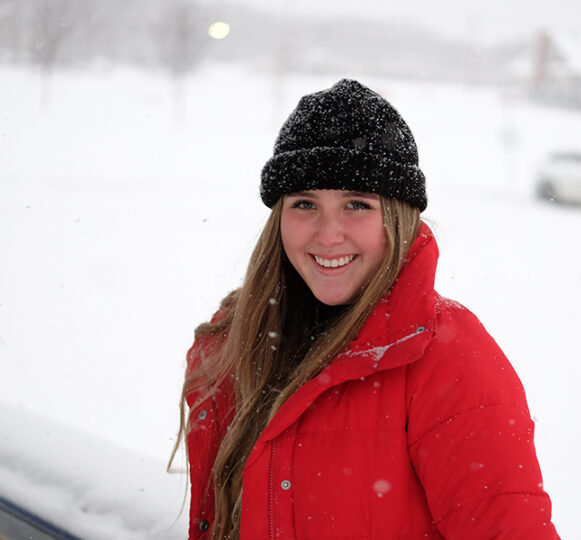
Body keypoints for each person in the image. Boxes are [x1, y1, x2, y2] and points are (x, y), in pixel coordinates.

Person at [170, 79, 560, 539]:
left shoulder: (449, 359)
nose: (328, 234)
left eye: (356, 204)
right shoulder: (241, 346)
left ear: (397, 217)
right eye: (304, 204)